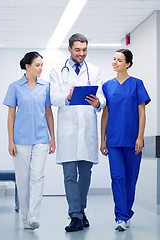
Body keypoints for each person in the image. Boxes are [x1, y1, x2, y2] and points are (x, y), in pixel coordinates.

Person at [49, 33, 105, 232]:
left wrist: (98, 102)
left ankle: (80, 211)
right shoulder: (57, 71)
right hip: (68, 130)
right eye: (78, 50)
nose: (82, 54)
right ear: (70, 49)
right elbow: (53, 98)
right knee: (70, 175)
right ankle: (75, 215)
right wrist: (68, 96)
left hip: (87, 128)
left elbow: (101, 97)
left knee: (86, 174)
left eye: (84, 50)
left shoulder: (95, 70)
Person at [3, 51, 55, 230]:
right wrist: (10, 140)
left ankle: (33, 216)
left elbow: (48, 112)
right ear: (27, 66)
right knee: (23, 180)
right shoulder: (15, 87)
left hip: (41, 139)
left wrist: (52, 137)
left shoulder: (46, 86)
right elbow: (11, 115)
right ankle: (25, 217)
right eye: (37, 65)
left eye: (42, 65)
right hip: (20, 140)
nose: (41, 68)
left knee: (37, 177)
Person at [100, 49, 151, 231]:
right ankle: (120, 216)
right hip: (113, 140)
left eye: (119, 60)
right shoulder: (107, 86)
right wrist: (103, 139)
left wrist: (140, 137)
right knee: (117, 177)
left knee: (130, 179)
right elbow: (105, 113)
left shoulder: (137, 84)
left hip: (132, 140)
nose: (115, 62)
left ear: (128, 63)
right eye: (114, 59)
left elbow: (142, 112)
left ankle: (127, 212)